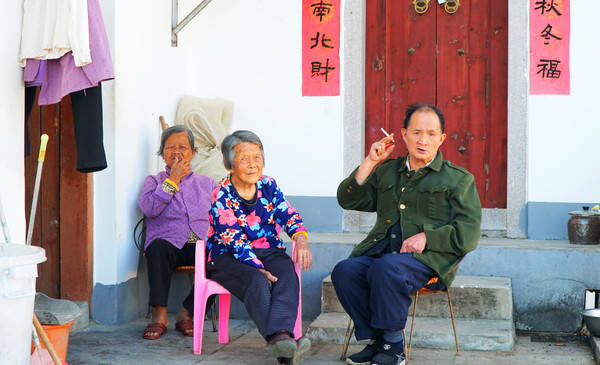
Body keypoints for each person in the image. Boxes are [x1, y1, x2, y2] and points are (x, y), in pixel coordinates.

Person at [332, 103, 482, 365]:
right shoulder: (388, 171)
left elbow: (469, 233)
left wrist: (427, 237)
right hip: (383, 254)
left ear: (442, 138)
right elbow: (349, 200)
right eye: (416, 133)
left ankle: (393, 346)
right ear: (403, 134)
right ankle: (377, 340)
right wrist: (370, 162)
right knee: (345, 271)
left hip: (428, 261)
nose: (423, 141)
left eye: (431, 134)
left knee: (386, 269)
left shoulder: (458, 179)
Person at [206, 130, 313, 365]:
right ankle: (286, 343)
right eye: (244, 158)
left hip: (268, 251)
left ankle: (281, 343)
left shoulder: (268, 185)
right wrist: (258, 268)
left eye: (257, 157)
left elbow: (288, 213)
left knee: (286, 274)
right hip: (227, 257)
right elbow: (234, 240)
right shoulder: (221, 193)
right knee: (257, 280)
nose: (253, 164)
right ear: (230, 164)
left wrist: (300, 239)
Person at [138, 125, 216, 340]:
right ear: (162, 153)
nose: (177, 151)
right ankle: (159, 316)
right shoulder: (154, 181)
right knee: (157, 249)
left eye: (183, 147)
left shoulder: (207, 184)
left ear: (193, 152)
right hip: (168, 242)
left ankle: (187, 312)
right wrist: (172, 180)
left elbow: (222, 216)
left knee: (222, 256)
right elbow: (149, 208)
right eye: (170, 147)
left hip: (199, 243)